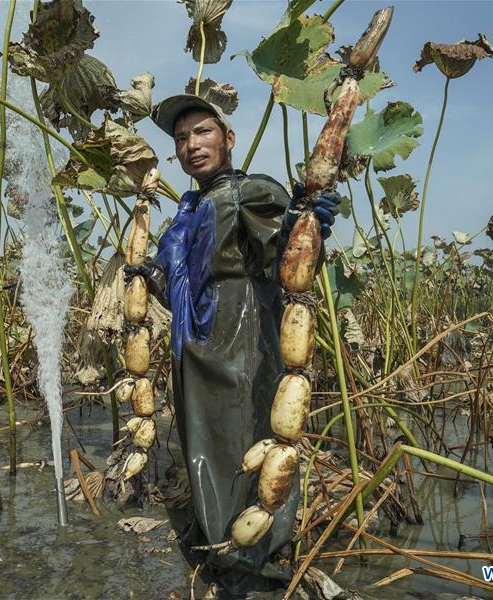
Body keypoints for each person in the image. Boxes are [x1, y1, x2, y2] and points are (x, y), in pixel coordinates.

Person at [125, 94, 340, 588]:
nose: (191, 146)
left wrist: (304, 223)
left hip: (242, 331)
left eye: (202, 132)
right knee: (204, 438)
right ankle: (218, 538)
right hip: (194, 343)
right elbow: (169, 279)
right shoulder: (186, 210)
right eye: (181, 139)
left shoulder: (250, 191)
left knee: (245, 434)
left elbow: (285, 253)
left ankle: (257, 553)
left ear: (228, 139)